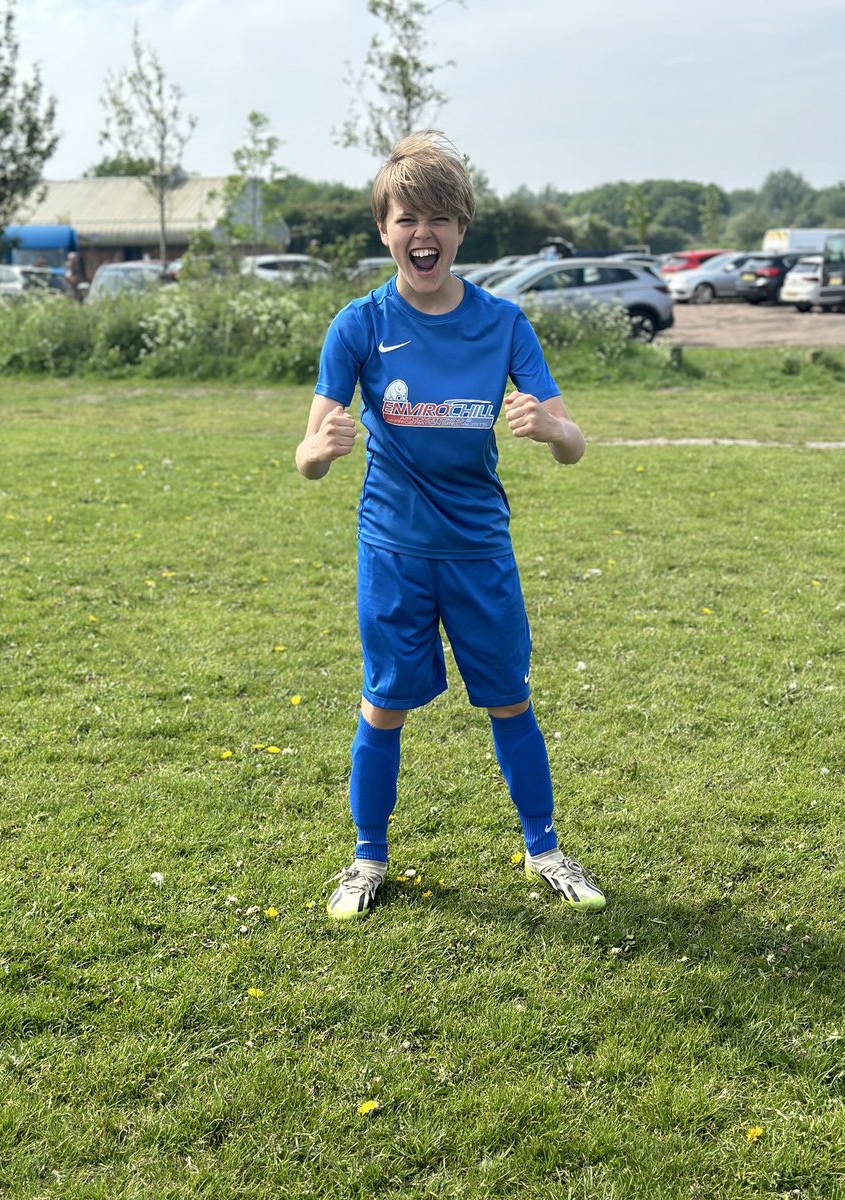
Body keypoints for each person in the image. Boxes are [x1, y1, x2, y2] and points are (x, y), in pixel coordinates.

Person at [295, 131, 606, 920]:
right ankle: (367, 858)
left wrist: (552, 428)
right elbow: (309, 451)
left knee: (509, 697)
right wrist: (318, 450)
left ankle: (544, 848)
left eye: (438, 217)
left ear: (461, 227)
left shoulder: (504, 325)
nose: (421, 234)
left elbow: (574, 446)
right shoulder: (357, 325)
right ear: (384, 229)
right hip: (394, 550)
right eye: (406, 218)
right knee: (383, 702)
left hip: (478, 550)